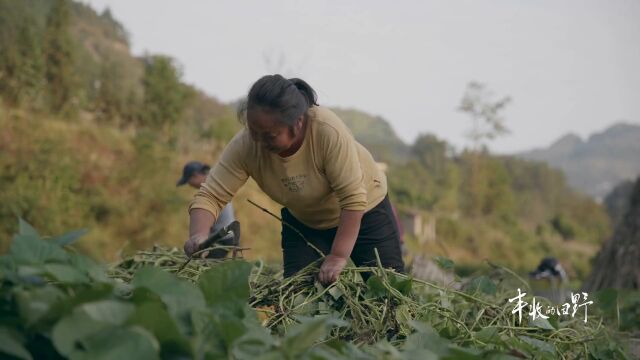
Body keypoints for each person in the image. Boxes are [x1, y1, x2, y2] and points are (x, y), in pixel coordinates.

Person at [185, 74, 404, 284]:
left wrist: (338, 256)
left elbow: (353, 199)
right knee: (298, 302)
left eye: (270, 136)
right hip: (305, 221)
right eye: (254, 133)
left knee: (387, 292)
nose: (259, 142)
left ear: (298, 123)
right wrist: (199, 235)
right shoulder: (246, 144)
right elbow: (211, 195)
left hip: (365, 211)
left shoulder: (326, 131)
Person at [177, 161, 238, 258]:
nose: (189, 185)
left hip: (221, 238)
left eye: (188, 180)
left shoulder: (212, 190)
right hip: (224, 235)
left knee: (205, 263)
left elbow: (208, 219)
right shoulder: (215, 184)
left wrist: (199, 237)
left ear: (195, 175)